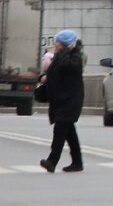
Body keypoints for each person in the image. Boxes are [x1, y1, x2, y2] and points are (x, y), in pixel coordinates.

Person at [39, 29, 84, 173]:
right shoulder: (60, 56)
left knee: (60, 130)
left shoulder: (75, 57)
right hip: (60, 99)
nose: (55, 45)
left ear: (65, 44)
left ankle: (52, 161)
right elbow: (55, 72)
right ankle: (77, 162)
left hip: (70, 100)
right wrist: (43, 78)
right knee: (69, 132)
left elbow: (66, 66)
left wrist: (63, 51)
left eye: (58, 42)